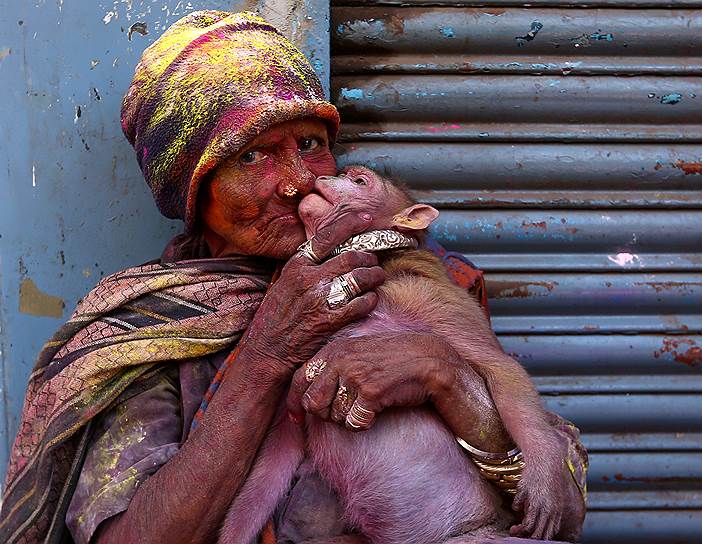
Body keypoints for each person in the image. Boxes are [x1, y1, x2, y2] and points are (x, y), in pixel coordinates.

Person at [0, 10, 587, 544]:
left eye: (310, 144)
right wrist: (268, 352)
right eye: (251, 156)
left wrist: (445, 376)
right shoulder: (151, 326)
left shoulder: (419, 271)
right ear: (194, 192)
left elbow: (552, 504)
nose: (295, 181)